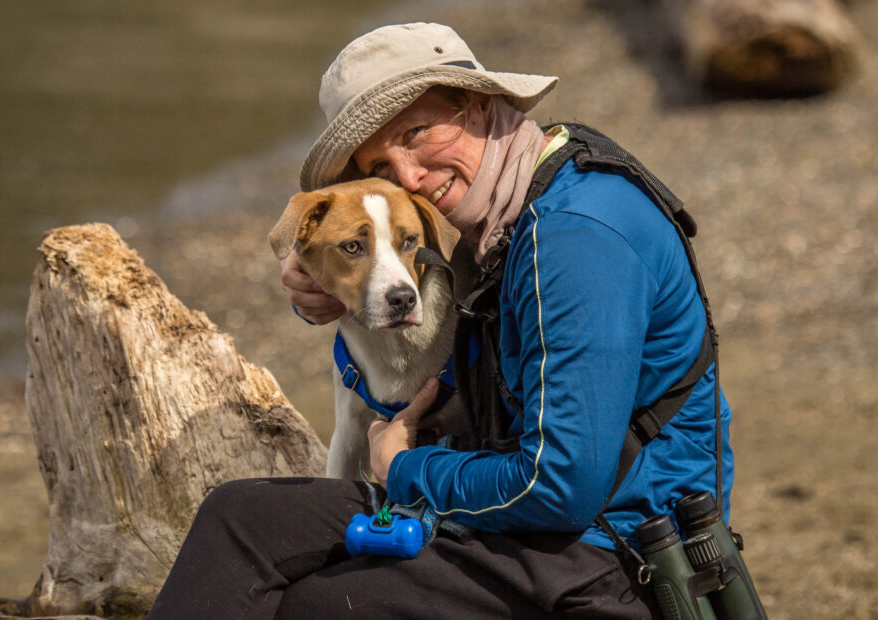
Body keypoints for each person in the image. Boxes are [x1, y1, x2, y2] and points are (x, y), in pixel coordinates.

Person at [147, 22, 733, 619]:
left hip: (620, 560)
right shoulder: (503, 207)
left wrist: (404, 467)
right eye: (379, 162)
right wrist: (322, 288)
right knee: (238, 516)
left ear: (478, 103)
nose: (407, 176)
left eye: (417, 133)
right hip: (537, 520)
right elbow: (389, 290)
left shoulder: (576, 236)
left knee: (320, 602)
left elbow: (560, 488)